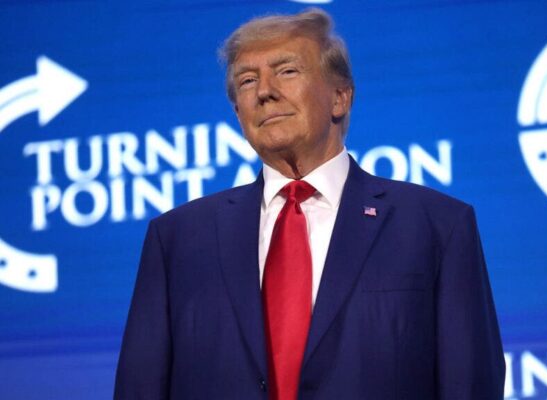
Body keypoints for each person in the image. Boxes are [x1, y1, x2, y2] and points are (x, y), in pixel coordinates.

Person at [114, 8, 505, 400]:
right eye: (247, 80)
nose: (264, 91)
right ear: (238, 114)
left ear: (340, 97)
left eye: (286, 71)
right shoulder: (178, 239)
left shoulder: (435, 226)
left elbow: (470, 383)